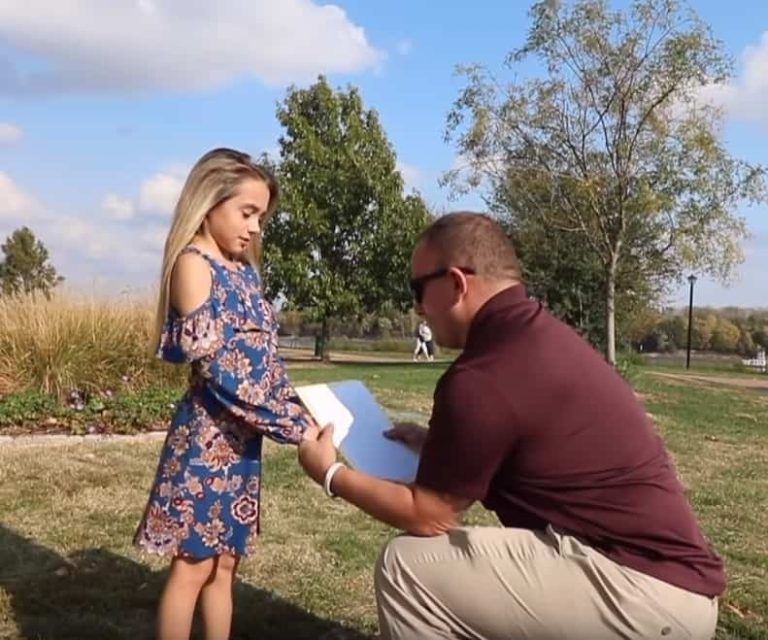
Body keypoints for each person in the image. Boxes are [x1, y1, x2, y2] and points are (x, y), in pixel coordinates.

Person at [298, 212, 725, 640]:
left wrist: (330, 474)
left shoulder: (484, 373)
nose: (417, 307)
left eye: (418, 289)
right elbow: (521, 451)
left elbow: (428, 515)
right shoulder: (536, 335)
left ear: (456, 284)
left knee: (407, 567)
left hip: (646, 597)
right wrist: (437, 446)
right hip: (668, 587)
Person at [134, 148, 313, 640]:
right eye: (247, 212)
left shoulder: (245, 271)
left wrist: (300, 406)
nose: (256, 227)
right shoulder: (194, 265)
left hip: (242, 441)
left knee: (226, 565)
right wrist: (293, 426)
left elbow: (264, 361)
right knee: (192, 566)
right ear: (209, 202)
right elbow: (219, 371)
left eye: (262, 217)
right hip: (205, 443)